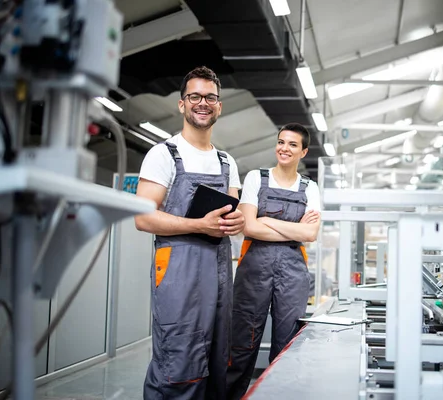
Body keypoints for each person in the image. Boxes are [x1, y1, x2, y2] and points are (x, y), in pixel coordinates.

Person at [134, 66, 245, 400]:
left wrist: (236, 223)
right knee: (178, 363)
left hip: (219, 271)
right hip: (178, 271)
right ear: (182, 104)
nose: (203, 103)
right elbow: (142, 217)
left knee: (216, 361)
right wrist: (199, 225)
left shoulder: (228, 162)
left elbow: (233, 214)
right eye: (195, 96)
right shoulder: (163, 154)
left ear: (219, 106)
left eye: (211, 97)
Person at [226, 123, 321, 400]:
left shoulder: (310, 187)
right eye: (281, 142)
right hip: (254, 268)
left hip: (292, 272)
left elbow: (310, 233)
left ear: (303, 151)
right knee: (242, 344)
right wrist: (290, 228)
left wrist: (266, 219)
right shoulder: (257, 177)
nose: (284, 148)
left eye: (292, 144)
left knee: (287, 345)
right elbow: (250, 228)